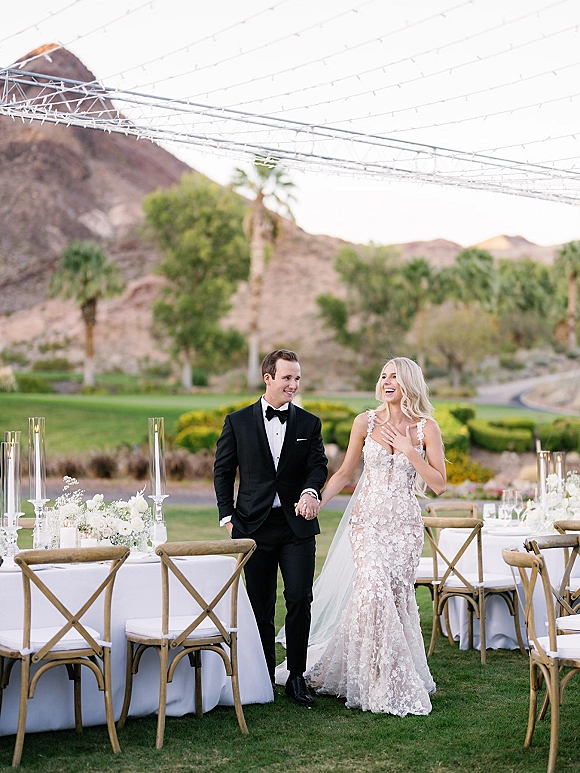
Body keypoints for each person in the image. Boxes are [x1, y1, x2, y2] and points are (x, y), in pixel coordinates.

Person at [299, 356, 446, 716]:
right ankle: (376, 681)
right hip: (367, 524)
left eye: (394, 376)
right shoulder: (364, 421)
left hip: (406, 529)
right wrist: (316, 498)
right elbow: (344, 472)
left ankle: (378, 669)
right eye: (383, 376)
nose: (387, 381)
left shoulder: (427, 428)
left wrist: (411, 451)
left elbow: (439, 484)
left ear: (408, 382)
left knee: (394, 599)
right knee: (373, 590)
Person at [213, 349, 328, 707]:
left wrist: (311, 491)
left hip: (297, 527)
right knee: (260, 604)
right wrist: (228, 517)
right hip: (252, 528)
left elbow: (318, 466)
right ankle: (262, 674)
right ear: (268, 378)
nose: (293, 384)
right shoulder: (237, 421)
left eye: (297, 378)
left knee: (299, 599)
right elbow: (222, 470)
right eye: (287, 378)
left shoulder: (309, 424)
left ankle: (296, 676)